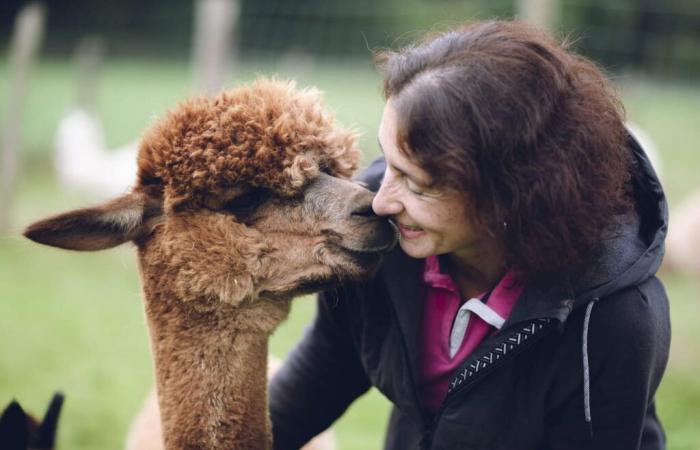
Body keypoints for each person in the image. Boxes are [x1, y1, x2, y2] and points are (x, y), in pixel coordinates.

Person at [270, 20, 671, 449]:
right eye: (388, 163)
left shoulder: (612, 322)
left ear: (511, 192)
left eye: (417, 183)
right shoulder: (377, 235)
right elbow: (323, 372)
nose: (380, 201)